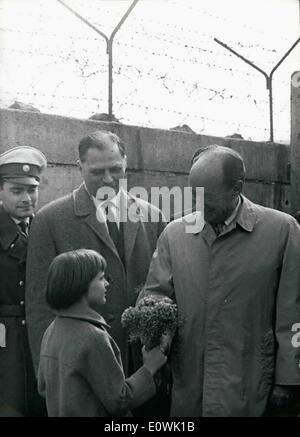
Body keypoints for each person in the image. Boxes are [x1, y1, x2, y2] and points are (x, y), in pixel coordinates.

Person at [142, 144, 300, 417]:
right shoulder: (174, 234)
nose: (198, 206)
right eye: (194, 195)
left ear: (236, 188)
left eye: (208, 198)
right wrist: (158, 332)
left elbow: (294, 312)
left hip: (252, 385)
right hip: (191, 382)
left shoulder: (282, 231)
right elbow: (155, 294)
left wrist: (288, 379)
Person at [25, 130, 167, 408]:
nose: (108, 180)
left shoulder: (153, 216)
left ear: (126, 163)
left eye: (116, 170)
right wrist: (49, 373)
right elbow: (40, 306)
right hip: (81, 372)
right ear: (79, 167)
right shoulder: (50, 220)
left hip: (143, 362)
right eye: (97, 172)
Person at [38, 249, 167, 417]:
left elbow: (43, 387)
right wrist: (150, 367)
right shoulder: (93, 337)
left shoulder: (52, 330)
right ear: (80, 285)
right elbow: (119, 400)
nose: (107, 283)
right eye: (101, 278)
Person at [0, 146, 47, 416]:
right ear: (0, 191)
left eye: (32, 190)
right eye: (17, 191)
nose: (27, 198)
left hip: (37, 335)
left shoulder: (42, 227)